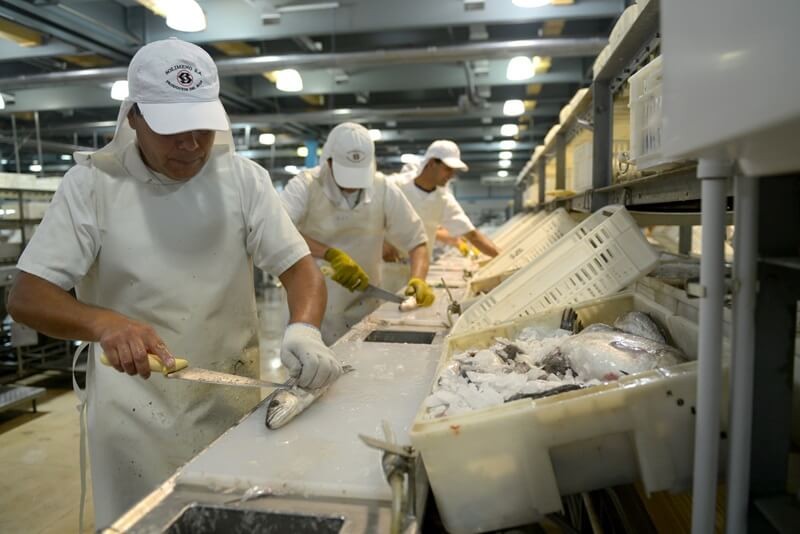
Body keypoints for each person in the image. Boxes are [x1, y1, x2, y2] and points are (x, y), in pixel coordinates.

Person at [6, 38, 341, 529]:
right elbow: (27, 295)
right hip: (134, 416)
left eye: (203, 128)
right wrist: (101, 322)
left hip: (230, 400)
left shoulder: (243, 180)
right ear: (134, 117)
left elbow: (299, 268)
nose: (191, 144)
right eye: (173, 130)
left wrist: (304, 328)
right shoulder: (92, 186)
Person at [280, 122, 433, 344]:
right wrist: (330, 254)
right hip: (309, 310)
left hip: (365, 308)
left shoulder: (383, 188)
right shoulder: (305, 185)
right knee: (311, 372)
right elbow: (279, 229)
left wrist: (418, 279)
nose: (352, 185)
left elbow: (417, 240)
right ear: (329, 160)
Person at [391, 140, 501, 259]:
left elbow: (472, 235)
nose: (451, 175)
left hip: (415, 268)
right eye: (448, 169)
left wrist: (503, 258)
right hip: (383, 266)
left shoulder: (443, 200)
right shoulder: (395, 186)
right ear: (432, 163)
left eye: (454, 171)